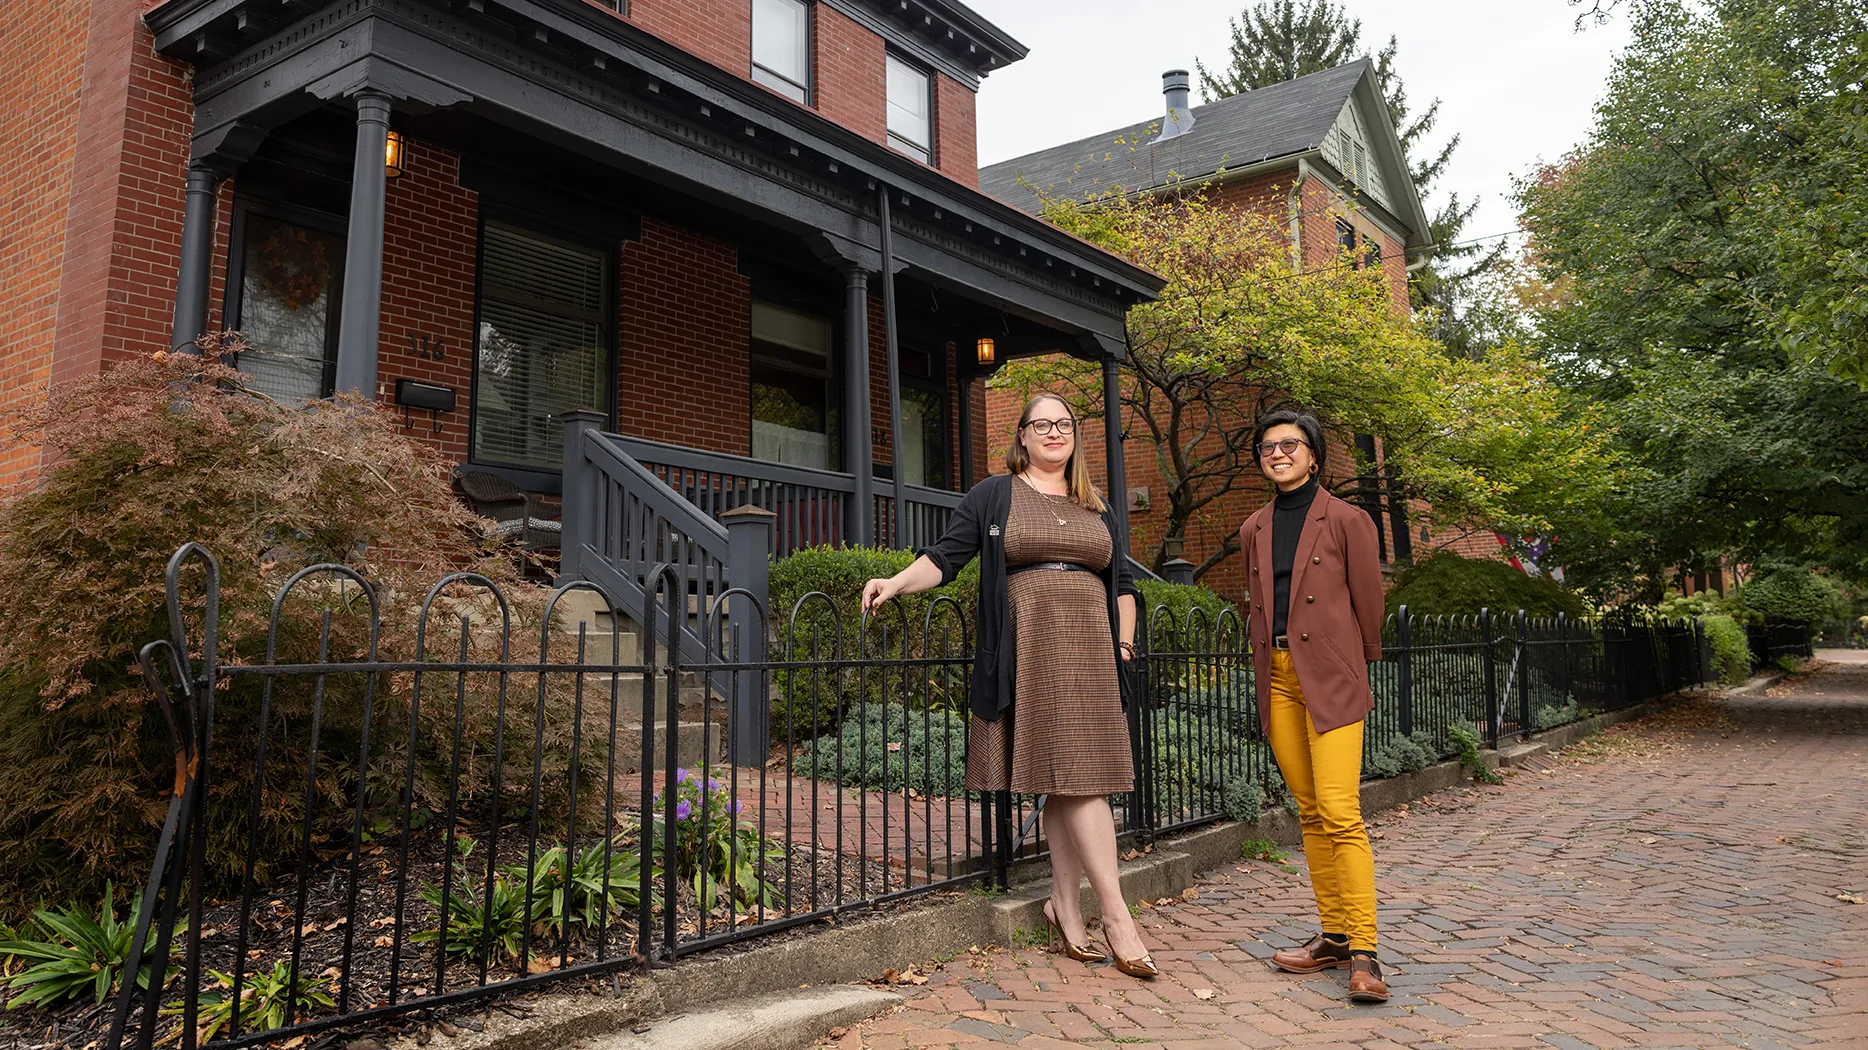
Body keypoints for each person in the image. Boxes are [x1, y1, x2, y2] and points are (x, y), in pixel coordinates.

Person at [861, 393, 1156, 978]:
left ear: (1075, 436)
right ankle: (1117, 915)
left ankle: (1067, 909)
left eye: (1063, 424)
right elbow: (946, 558)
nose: (1053, 432)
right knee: (1073, 778)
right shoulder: (994, 496)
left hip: (1093, 657)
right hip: (1031, 652)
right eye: (1041, 424)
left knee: (1066, 778)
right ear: (1021, 436)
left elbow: (1121, 584)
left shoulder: (1097, 508)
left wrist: (1123, 646)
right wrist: (895, 581)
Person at [1236, 409, 1389, 1002]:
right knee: (1308, 810)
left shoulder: (1347, 519)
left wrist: (1361, 660)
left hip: (1330, 675)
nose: (1277, 453)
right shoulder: (1253, 527)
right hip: (1275, 676)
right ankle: (1332, 936)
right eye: (1267, 447)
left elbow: (1368, 597)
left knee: (1339, 808)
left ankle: (1366, 955)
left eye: (1289, 444)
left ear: (1313, 455)